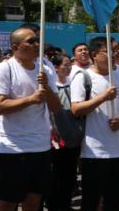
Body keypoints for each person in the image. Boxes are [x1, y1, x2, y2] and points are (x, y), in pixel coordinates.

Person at [0, 27, 61, 211]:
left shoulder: (44, 68)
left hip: (41, 146)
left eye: (37, 40)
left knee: (34, 199)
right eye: (31, 41)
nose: (37, 44)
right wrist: (30, 99)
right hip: (14, 147)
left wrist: (46, 86)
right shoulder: (5, 69)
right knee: (8, 201)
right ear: (15, 47)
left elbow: (56, 107)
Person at [72, 37, 119, 211]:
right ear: (94, 55)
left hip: (118, 149)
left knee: (113, 200)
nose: (113, 54)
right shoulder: (83, 77)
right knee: (91, 200)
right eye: (108, 51)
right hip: (94, 151)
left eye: (114, 51)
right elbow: (76, 109)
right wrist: (103, 97)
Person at [48, 52, 80, 211]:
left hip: (73, 135)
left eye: (69, 65)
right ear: (55, 67)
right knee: (56, 173)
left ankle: (65, 203)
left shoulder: (74, 84)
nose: (68, 68)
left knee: (69, 172)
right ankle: (54, 204)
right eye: (65, 65)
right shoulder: (52, 87)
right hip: (56, 137)